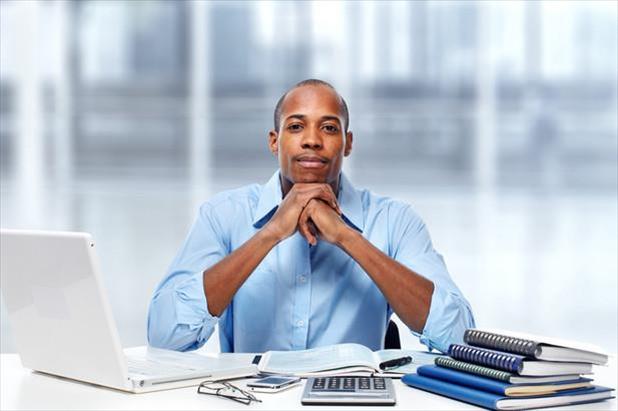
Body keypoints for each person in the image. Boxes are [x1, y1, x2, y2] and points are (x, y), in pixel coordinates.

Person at [147, 79, 475, 353]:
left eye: (329, 128)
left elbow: (458, 335)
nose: (312, 140)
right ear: (275, 142)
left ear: (347, 143)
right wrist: (270, 233)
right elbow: (165, 337)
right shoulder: (223, 216)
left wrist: (347, 237)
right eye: (296, 126)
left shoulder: (395, 221)